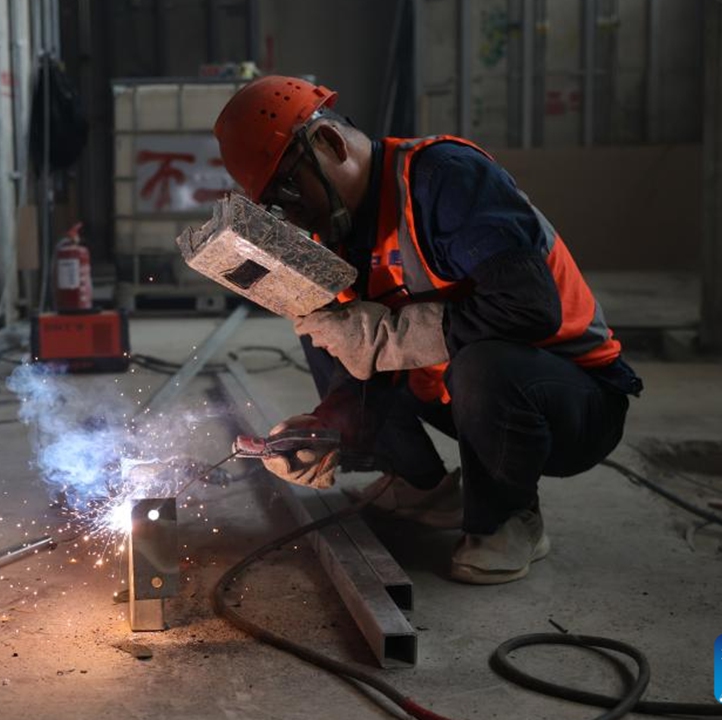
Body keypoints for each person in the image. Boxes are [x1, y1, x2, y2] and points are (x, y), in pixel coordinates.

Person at [212, 76, 643, 584]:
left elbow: (530, 310)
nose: (295, 215)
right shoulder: (337, 228)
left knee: (482, 363)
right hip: (463, 394)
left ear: (328, 143)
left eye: (291, 190)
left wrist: (389, 334)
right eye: (278, 206)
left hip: (570, 400)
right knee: (329, 327)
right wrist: (328, 425)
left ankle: (509, 516)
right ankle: (423, 488)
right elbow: (360, 358)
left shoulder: (445, 180)